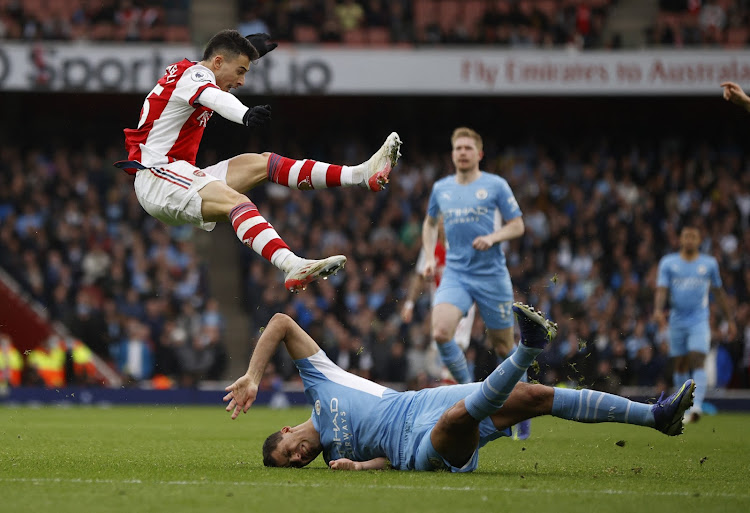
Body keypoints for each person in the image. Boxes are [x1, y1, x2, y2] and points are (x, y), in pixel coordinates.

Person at [223, 304, 695, 472]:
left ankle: (654, 415)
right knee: (460, 417)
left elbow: (282, 322)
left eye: (288, 451)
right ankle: (527, 348)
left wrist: (253, 376)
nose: (298, 457)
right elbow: (386, 463)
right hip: (417, 448)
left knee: (534, 397)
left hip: (418, 402)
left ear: (286, 430)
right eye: (294, 465)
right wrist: (363, 467)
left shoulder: (319, 383)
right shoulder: (333, 459)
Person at [116, 29, 402, 292]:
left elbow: (217, 71)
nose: (241, 81)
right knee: (237, 202)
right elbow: (215, 98)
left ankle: (361, 175)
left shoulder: (191, 74)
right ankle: (291, 264)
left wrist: (247, 48)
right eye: (240, 71)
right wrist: (244, 114)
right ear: (217, 62)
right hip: (158, 176)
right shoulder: (195, 77)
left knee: (263, 163)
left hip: (174, 174)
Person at [420, 127, 528, 436]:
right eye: (458, 148)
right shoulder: (441, 188)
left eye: (468, 148)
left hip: (491, 275)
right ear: (452, 154)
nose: (463, 152)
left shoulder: (495, 185)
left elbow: (518, 225)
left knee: (503, 346)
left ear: (479, 154)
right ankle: (470, 396)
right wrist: (429, 257)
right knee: (440, 332)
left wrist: (493, 237)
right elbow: (429, 225)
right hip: (456, 272)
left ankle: (522, 407)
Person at [654, 221, 736, 423]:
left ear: (699, 241)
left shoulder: (709, 264)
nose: (689, 240)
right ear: (680, 239)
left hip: (699, 320)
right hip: (677, 320)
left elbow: (718, 292)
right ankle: (683, 407)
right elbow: (662, 289)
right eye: (686, 236)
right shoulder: (668, 262)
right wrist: (657, 310)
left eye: (693, 236)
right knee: (680, 364)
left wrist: (729, 319)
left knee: (697, 358)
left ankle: (696, 406)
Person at [400, 222, 476, 380]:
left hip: (462, 302)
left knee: (456, 345)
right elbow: (419, 277)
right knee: (442, 348)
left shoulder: (462, 243)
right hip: (440, 305)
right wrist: (409, 304)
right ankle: (452, 389)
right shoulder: (430, 247)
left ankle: (454, 391)